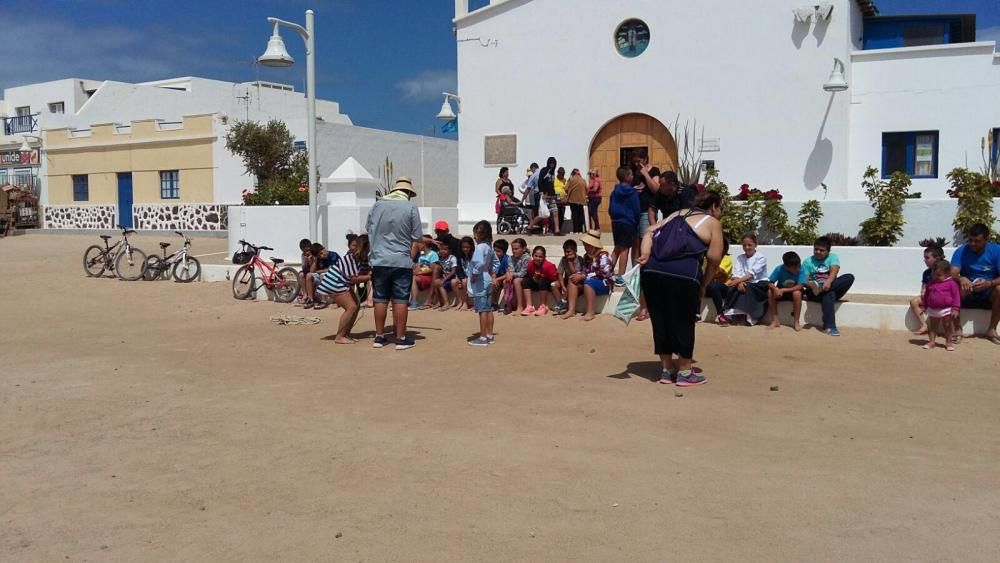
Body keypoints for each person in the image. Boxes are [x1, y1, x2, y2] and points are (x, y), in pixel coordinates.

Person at [637, 187, 725, 387]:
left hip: (652, 272)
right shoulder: (712, 223)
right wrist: (704, 284)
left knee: (660, 320)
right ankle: (685, 371)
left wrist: (646, 254)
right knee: (683, 321)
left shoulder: (675, 214)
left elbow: (649, 231)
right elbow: (713, 259)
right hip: (684, 275)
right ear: (714, 206)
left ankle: (667, 370)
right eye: (720, 209)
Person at [366, 176, 422, 350]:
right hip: (401, 260)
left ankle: (379, 336)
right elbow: (417, 239)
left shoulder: (377, 206)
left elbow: (369, 229)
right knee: (400, 300)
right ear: (408, 192)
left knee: (380, 299)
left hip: (379, 260)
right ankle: (400, 337)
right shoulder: (410, 208)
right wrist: (411, 260)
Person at [951, 223, 1000, 343]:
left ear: (986, 239)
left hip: (989, 291)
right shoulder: (961, 251)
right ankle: (957, 329)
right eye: (970, 240)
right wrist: (961, 278)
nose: (972, 244)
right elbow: (952, 273)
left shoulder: (996, 250)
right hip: (967, 290)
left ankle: (991, 329)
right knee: (952, 286)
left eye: (977, 241)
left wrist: (989, 283)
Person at [316, 237, 370, 344]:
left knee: (356, 306)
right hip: (335, 282)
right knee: (351, 307)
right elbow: (354, 278)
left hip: (342, 283)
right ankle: (340, 336)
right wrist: (370, 277)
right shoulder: (351, 259)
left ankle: (345, 333)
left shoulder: (361, 259)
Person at [803, 236, 855, 336]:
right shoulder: (807, 261)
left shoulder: (833, 257)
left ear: (828, 251)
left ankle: (822, 290)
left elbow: (834, 271)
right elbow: (805, 280)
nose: (818, 252)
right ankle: (830, 327)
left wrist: (828, 282)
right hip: (814, 292)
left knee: (849, 277)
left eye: (821, 250)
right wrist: (811, 285)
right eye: (816, 249)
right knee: (829, 294)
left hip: (828, 286)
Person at [562, 229, 614, 321]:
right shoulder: (587, 256)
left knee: (588, 282)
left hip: (605, 283)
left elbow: (605, 273)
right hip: (591, 279)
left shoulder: (604, 256)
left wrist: (583, 276)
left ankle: (590, 312)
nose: (585, 247)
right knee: (573, 279)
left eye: (587, 245)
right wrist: (580, 275)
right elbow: (585, 270)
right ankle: (571, 310)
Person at [722, 233, 770, 326]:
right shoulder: (740, 258)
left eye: (749, 245)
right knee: (735, 288)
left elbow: (751, 274)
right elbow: (737, 273)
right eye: (744, 245)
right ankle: (735, 314)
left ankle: (748, 316)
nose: (747, 247)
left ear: (756, 245)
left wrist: (737, 281)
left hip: (759, 284)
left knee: (746, 288)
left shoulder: (761, 257)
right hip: (744, 282)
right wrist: (739, 282)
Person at [609, 166, 640, 287]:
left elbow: (610, 208)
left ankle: (608, 271)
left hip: (616, 222)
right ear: (627, 177)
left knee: (617, 247)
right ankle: (621, 276)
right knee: (625, 249)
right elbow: (636, 209)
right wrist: (635, 221)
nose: (633, 176)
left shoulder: (614, 191)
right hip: (628, 222)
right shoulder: (632, 193)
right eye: (631, 174)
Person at [467, 220, 497, 346]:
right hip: (487, 278)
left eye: (475, 233)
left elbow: (478, 263)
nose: (474, 237)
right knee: (488, 308)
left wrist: (474, 275)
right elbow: (495, 263)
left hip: (480, 280)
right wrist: (492, 273)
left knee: (482, 310)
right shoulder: (490, 247)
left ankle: (483, 337)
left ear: (479, 234)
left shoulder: (480, 247)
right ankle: (489, 334)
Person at [922, 259, 961, 351]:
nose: (936, 277)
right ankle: (931, 342)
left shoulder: (951, 283)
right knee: (933, 327)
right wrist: (925, 305)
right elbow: (927, 295)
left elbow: (956, 296)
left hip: (946, 309)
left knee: (947, 326)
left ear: (948, 273)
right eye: (934, 274)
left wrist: (955, 308)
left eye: (939, 275)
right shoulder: (931, 283)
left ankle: (948, 342)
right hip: (933, 308)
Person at [910, 245, 946, 335]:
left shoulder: (946, 270)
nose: (924, 260)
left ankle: (950, 331)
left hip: (944, 298)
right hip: (930, 298)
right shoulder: (926, 273)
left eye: (927, 258)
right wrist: (923, 292)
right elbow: (924, 286)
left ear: (936, 259)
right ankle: (923, 325)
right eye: (924, 257)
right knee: (914, 302)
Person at [768, 251, 806, 331]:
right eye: (794, 268)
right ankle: (775, 320)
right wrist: (775, 289)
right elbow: (770, 283)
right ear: (786, 266)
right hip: (780, 291)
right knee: (770, 291)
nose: (797, 269)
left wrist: (784, 290)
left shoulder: (802, 269)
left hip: (794, 290)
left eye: (798, 266)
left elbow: (800, 286)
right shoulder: (779, 269)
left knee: (797, 293)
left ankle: (796, 321)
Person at [521, 245, 561, 316]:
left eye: (540, 257)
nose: (538, 258)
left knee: (542, 280)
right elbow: (530, 275)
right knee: (526, 280)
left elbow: (555, 278)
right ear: (532, 256)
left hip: (547, 285)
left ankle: (543, 306)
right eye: (536, 256)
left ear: (544, 257)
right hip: (536, 283)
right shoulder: (530, 264)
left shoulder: (548, 266)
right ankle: (529, 306)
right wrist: (535, 277)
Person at [704, 239, 733, 323]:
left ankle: (720, 314)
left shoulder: (727, 258)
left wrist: (711, 272)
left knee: (714, 285)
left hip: (723, 287)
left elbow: (719, 274)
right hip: (709, 287)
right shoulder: (707, 258)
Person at [304, 243, 340, 310]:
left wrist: (318, 272)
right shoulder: (319, 258)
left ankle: (323, 301)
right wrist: (316, 259)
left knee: (323, 275)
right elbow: (312, 271)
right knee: (308, 275)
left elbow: (331, 269)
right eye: (319, 255)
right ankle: (311, 299)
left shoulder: (333, 255)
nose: (322, 256)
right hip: (322, 275)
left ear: (324, 249)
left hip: (334, 276)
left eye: (322, 253)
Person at [433, 220, 466, 295]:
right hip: (440, 270)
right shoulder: (434, 242)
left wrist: (460, 276)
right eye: (438, 231)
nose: (440, 233)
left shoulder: (456, 242)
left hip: (452, 270)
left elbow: (458, 260)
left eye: (442, 231)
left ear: (447, 231)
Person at [555, 239, 586, 315]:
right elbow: (560, 273)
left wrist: (570, 262)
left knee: (571, 281)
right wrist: (562, 286)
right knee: (553, 285)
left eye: (569, 252)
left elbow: (575, 275)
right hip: (567, 281)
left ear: (575, 250)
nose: (566, 254)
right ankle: (561, 304)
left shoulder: (579, 259)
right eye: (565, 252)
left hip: (578, 283)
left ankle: (563, 301)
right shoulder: (563, 259)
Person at [410, 237, 439, 310]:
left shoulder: (433, 254)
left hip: (428, 277)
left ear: (423, 244)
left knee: (413, 278)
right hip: (421, 276)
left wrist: (419, 272)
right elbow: (419, 266)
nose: (417, 246)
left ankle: (414, 302)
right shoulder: (421, 255)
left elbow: (432, 269)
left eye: (418, 244)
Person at [506, 238, 530, 314]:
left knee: (516, 281)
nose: (514, 251)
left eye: (516, 249)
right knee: (505, 281)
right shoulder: (510, 258)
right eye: (513, 249)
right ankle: (508, 306)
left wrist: (511, 274)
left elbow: (523, 273)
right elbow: (511, 269)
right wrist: (509, 274)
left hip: (526, 278)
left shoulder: (526, 258)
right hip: (516, 276)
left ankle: (520, 306)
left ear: (523, 248)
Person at [433, 241, 459, 310]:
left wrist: (444, 279)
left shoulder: (452, 258)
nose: (442, 251)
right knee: (436, 282)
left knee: (440, 283)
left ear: (450, 251)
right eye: (441, 249)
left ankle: (446, 303)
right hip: (445, 279)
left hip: (452, 279)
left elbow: (453, 271)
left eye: (445, 249)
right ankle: (439, 302)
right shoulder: (440, 258)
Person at [538, 157, 560, 235]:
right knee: (543, 214)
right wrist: (542, 193)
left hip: (551, 195)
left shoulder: (553, 172)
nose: (552, 165)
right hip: (544, 195)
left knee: (555, 212)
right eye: (550, 163)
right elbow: (540, 182)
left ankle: (557, 230)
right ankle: (531, 226)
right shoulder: (544, 170)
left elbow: (551, 184)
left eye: (553, 163)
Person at [454, 236, 476, 312]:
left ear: (471, 247)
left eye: (467, 247)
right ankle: (461, 302)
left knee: (465, 281)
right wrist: (460, 278)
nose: (465, 249)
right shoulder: (460, 256)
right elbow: (459, 268)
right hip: (463, 275)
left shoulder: (474, 255)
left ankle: (466, 303)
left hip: (473, 276)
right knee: (454, 282)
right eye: (463, 247)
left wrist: (465, 278)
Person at [565, 168, 589, 234]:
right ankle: (580, 230)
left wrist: (569, 193)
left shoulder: (571, 179)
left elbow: (566, 188)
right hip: (581, 200)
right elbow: (587, 189)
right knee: (580, 215)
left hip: (573, 200)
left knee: (575, 215)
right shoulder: (583, 180)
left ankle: (576, 230)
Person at [491, 239, 511, 313]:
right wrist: (493, 278)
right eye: (494, 250)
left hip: (504, 278)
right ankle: (494, 303)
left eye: (498, 251)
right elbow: (493, 271)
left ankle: (505, 304)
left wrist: (497, 279)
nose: (496, 253)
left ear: (504, 252)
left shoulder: (507, 259)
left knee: (505, 282)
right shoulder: (492, 259)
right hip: (497, 278)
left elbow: (507, 273)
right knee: (491, 283)